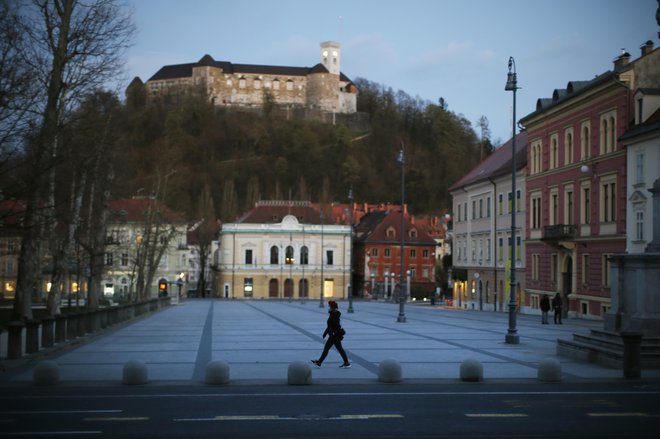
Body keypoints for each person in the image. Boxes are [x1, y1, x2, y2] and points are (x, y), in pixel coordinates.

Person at [311, 300, 351, 368]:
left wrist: (333, 333)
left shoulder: (335, 314)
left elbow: (335, 325)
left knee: (327, 348)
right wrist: (325, 333)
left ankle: (319, 362)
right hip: (334, 335)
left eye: (329, 306)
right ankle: (346, 362)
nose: (328, 307)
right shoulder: (333, 313)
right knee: (339, 349)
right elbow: (330, 326)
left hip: (334, 336)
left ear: (332, 307)